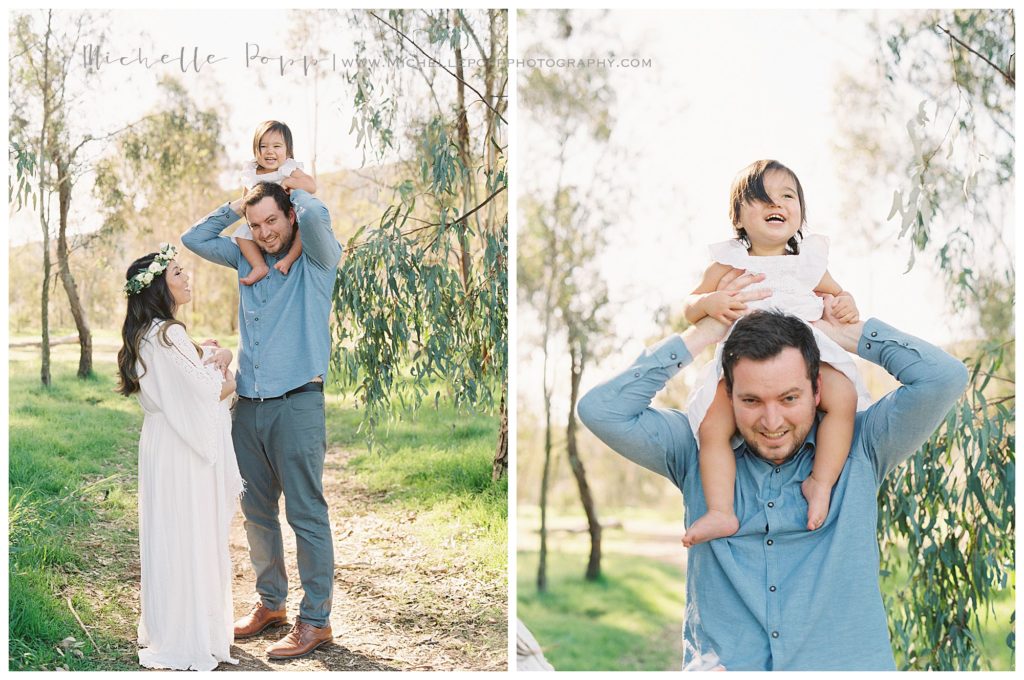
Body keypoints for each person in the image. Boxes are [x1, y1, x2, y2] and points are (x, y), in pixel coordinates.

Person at [577, 275, 968, 670]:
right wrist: (703, 335)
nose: (771, 420)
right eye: (751, 400)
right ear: (727, 394)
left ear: (817, 390)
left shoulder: (864, 445)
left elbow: (944, 377)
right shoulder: (693, 448)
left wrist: (849, 333)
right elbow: (601, 410)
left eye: (789, 398)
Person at [182, 180, 343, 660]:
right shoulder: (245, 258)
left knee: (306, 514)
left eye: (272, 220)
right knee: (256, 513)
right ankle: (271, 604)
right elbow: (195, 239)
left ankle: (316, 621)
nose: (264, 231)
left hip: (297, 402)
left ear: (290, 215)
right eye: (255, 224)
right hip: (248, 405)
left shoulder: (315, 259)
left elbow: (314, 218)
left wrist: (299, 190)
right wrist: (238, 205)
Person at [681, 159, 870, 547]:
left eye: (787, 196)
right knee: (712, 427)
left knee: (844, 398)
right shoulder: (729, 263)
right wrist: (711, 302)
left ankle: (820, 481)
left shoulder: (808, 263)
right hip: (743, 361)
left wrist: (845, 303)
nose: (776, 204)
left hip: (807, 352)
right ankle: (721, 510)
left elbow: (838, 295)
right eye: (762, 198)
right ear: (738, 216)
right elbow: (690, 305)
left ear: (800, 213)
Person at [116, 243, 243, 671]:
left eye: (183, 269)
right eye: (176, 273)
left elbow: (179, 386)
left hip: (160, 442)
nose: (186, 277)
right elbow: (208, 394)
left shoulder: (145, 334)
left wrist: (204, 358)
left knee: (169, 534)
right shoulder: (168, 334)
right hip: (182, 447)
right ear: (156, 288)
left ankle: (174, 627)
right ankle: (192, 636)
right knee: (190, 534)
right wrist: (230, 365)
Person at [234, 120, 317, 285]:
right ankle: (259, 266)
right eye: (263, 146)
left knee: (304, 229)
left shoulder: (286, 168)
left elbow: (311, 186)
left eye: (277, 146)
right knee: (240, 234)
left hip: (288, 220)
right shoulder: (251, 172)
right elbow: (246, 200)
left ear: (288, 151)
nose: (269, 151)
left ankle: (288, 260)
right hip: (264, 222)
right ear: (255, 150)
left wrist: (288, 182)